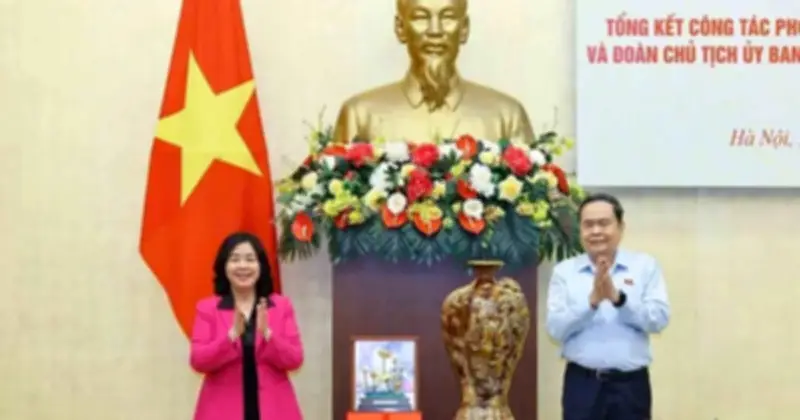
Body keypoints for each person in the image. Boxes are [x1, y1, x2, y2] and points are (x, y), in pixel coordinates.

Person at [333, 0, 535, 145]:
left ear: (464, 28)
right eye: (421, 17)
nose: (435, 31)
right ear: (400, 28)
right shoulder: (360, 116)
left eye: (448, 17)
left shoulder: (506, 116)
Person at [545, 193, 670, 420]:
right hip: (582, 386)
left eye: (604, 223)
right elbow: (555, 329)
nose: (596, 231)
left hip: (631, 386)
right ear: (580, 230)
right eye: (588, 225)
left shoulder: (645, 266)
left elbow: (659, 320)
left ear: (621, 227)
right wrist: (591, 303)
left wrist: (619, 300)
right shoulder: (564, 272)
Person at [190, 232, 304, 420]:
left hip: (275, 409)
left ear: (261, 265)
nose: (243, 266)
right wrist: (231, 336)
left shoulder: (281, 306)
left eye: (250, 259)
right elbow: (198, 361)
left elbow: (295, 360)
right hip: (222, 410)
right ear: (224, 266)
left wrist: (268, 334)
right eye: (235, 259)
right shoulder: (207, 308)